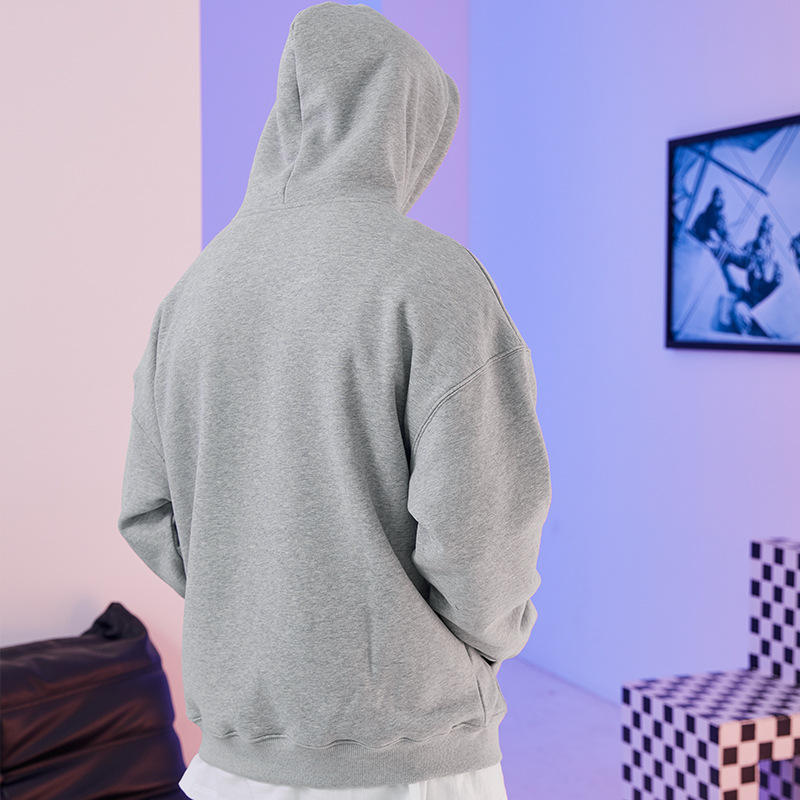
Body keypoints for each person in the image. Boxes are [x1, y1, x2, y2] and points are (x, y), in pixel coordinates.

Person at [117, 3, 552, 799]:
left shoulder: (193, 293)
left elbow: (148, 513)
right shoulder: (433, 280)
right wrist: (483, 643)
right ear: (406, 125)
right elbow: (480, 535)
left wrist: (250, 602)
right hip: (408, 755)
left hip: (233, 760)